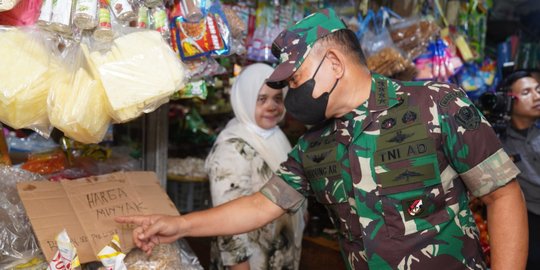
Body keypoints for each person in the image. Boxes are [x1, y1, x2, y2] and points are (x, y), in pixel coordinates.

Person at [116, 9, 528, 269]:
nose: (290, 94)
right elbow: (261, 205)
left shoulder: (435, 104)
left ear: (332, 64)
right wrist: (177, 225)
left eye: (295, 80)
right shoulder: (314, 145)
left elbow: (503, 195)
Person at [204, 63, 305, 270]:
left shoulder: (275, 136)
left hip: (278, 257)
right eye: (261, 99)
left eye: (278, 98)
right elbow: (228, 223)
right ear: (245, 100)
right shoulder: (232, 148)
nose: (272, 106)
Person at [499, 70, 540, 270]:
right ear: (509, 100)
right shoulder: (498, 141)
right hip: (529, 221)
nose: (537, 96)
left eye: (538, 90)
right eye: (526, 92)